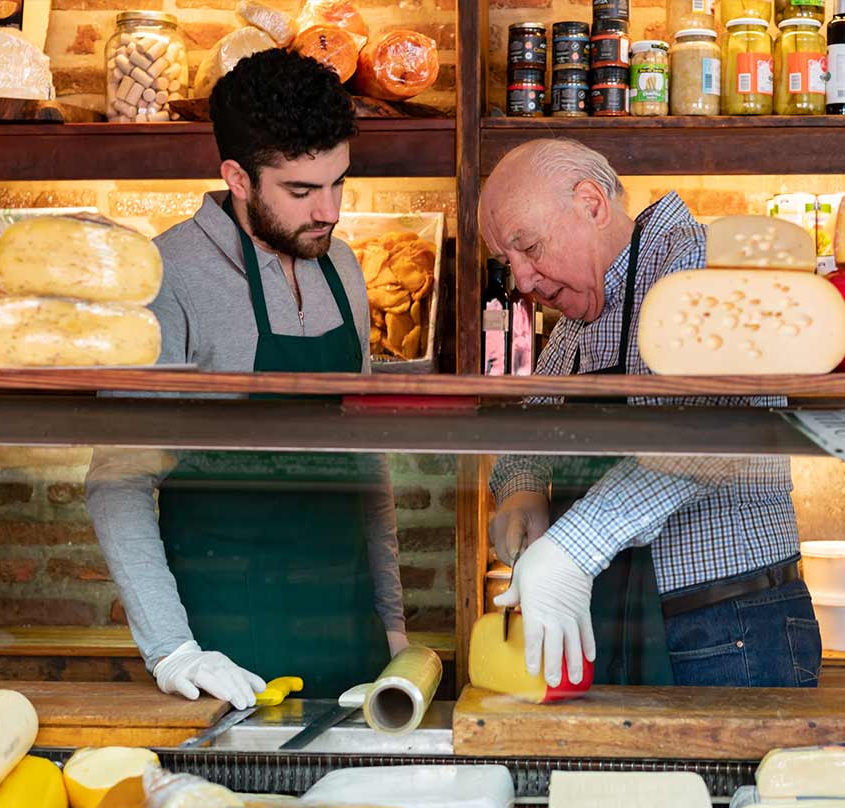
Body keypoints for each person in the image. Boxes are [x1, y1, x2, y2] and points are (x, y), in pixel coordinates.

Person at [86, 49, 407, 709]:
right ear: (237, 176)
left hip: (351, 634)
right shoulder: (167, 277)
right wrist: (174, 650)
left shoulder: (343, 267)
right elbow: (118, 480)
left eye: (339, 183)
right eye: (300, 190)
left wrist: (393, 623)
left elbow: (365, 458)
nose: (329, 211)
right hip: (228, 648)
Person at [479, 138, 821, 691]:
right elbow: (527, 427)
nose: (522, 279)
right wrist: (521, 489)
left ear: (591, 203)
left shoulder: (699, 260)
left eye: (530, 247)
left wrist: (571, 548)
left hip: (727, 631)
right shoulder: (575, 322)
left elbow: (712, 430)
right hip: (620, 623)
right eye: (507, 261)